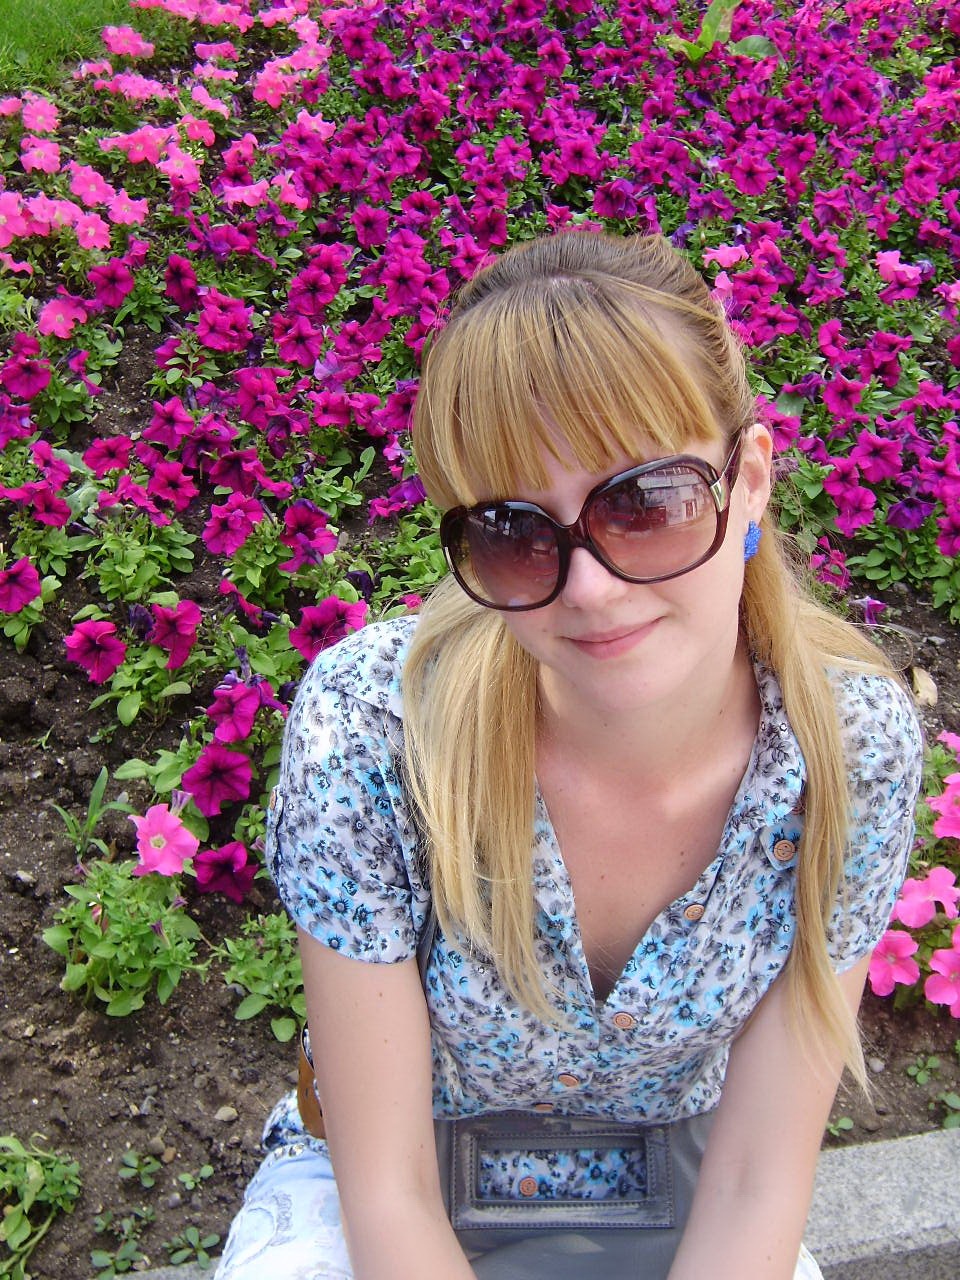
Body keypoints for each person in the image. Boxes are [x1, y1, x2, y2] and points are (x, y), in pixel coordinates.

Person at [214, 232, 922, 1280]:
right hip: (399, 1178)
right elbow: (388, 1186)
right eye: (514, 531)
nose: (589, 587)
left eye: (644, 502)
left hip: (684, 1176)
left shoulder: (848, 751)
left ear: (750, 481)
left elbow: (755, 1180)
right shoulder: (376, 729)